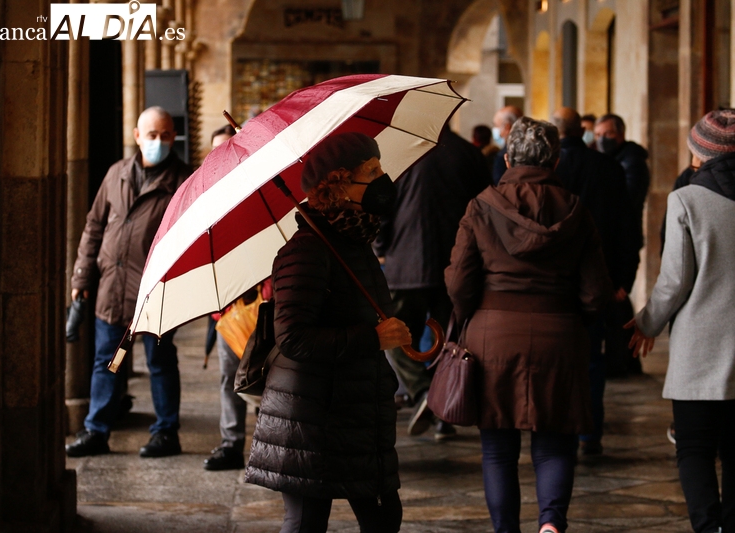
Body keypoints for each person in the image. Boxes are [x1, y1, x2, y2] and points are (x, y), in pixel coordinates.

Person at [445, 117, 612, 533]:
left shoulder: (480, 205)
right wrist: (575, 322)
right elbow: (595, 292)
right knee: (555, 442)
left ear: (506, 158)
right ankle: (551, 524)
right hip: (560, 334)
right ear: (555, 161)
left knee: (498, 449)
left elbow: (459, 283)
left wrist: (468, 316)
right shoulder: (577, 210)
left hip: (492, 337)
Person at [244, 132, 411, 533]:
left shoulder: (353, 241)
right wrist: (374, 338)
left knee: (385, 517)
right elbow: (294, 338)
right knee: (306, 523)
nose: (383, 178)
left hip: (355, 409)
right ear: (338, 184)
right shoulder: (305, 250)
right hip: (310, 414)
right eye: (371, 171)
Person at [627, 108, 735, 533]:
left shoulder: (686, 199)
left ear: (700, 153)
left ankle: (708, 528)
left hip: (700, 351)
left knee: (693, 448)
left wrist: (646, 324)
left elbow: (674, 280)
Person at [66, 107, 194, 458]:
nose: (159, 142)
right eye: (152, 135)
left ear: (174, 137)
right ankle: (97, 430)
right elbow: (94, 226)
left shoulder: (183, 181)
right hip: (112, 287)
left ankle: (166, 432)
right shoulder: (116, 174)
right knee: (107, 361)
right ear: (137, 136)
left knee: (160, 363)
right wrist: (82, 275)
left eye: (166, 135)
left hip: (156, 293)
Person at [374, 125, 490, 439]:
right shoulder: (469, 153)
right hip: (456, 263)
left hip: (407, 263)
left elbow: (384, 208)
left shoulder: (403, 153)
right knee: (449, 339)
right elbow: (484, 208)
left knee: (394, 335)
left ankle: (424, 391)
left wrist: (381, 248)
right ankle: (442, 413)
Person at [552, 107, 640, 454]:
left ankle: (559, 432)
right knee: (592, 358)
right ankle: (590, 433)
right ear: (582, 132)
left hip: (554, 282)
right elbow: (626, 229)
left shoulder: (549, 169)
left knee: (556, 361)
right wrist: (623, 279)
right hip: (598, 279)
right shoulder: (608, 167)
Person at [201, 124, 253, 471]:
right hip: (227, 307)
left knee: (268, 377)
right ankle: (232, 443)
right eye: (218, 150)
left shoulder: (258, 189)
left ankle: (270, 441)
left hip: (262, 302)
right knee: (229, 377)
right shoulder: (206, 199)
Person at [594, 113, 650, 379]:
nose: (602, 140)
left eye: (607, 134)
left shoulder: (632, 162)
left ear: (620, 134)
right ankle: (627, 359)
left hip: (624, 239)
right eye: (598, 135)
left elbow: (627, 202)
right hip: (619, 237)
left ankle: (624, 361)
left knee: (619, 300)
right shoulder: (617, 160)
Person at [491, 105, 523, 185]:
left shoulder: (503, 156)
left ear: (507, 127)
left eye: (496, 125)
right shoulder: (528, 149)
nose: (495, 129)